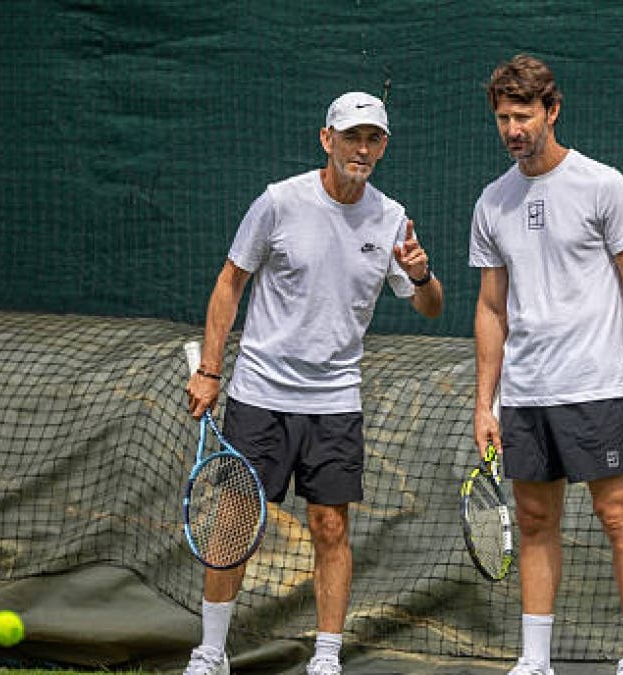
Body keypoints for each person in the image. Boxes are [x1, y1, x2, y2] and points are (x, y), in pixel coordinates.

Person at [182, 91, 444, 675]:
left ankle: (326, 658)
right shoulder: (279, 202)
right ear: (327, 140)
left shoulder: (391, 218)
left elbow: (430, 307)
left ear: (383, 147)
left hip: (335, 401)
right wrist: (210, 370)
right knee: (235, 522)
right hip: (261, 394)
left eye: (373, 139)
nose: (362, 149)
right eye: (351, 137)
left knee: (330, 526)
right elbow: (230, 282)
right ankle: (211, 653)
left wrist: (423, 274)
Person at [469, 54, 623, 675]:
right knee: (533, 520)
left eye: (523, 116)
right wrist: (485, 403)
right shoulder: (491, 202)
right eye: (503, 118)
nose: (513, 129)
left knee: (618, 515)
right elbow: (491, 309)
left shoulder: (604, 186)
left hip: (596, 386)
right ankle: (535, 661)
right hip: (525, 395)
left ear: (552, 111)